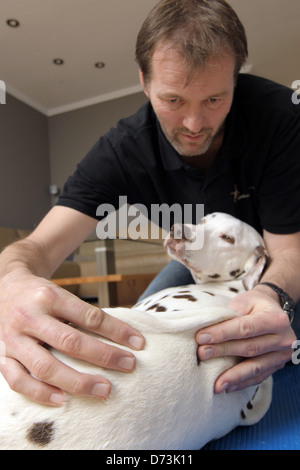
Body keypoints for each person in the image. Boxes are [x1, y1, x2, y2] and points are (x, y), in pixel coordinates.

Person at [0, 0, 299, 406]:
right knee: (146, 338)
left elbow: (289, 252)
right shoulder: (123, 150)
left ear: (236, 79)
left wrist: (272, 298)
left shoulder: (281, 117)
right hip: (199, 268)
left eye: (215, 99)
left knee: (282, 341)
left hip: (274, 264)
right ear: (144, 81)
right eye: (173, 100)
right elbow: (35, 248)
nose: (194, 125)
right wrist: (10, 286)